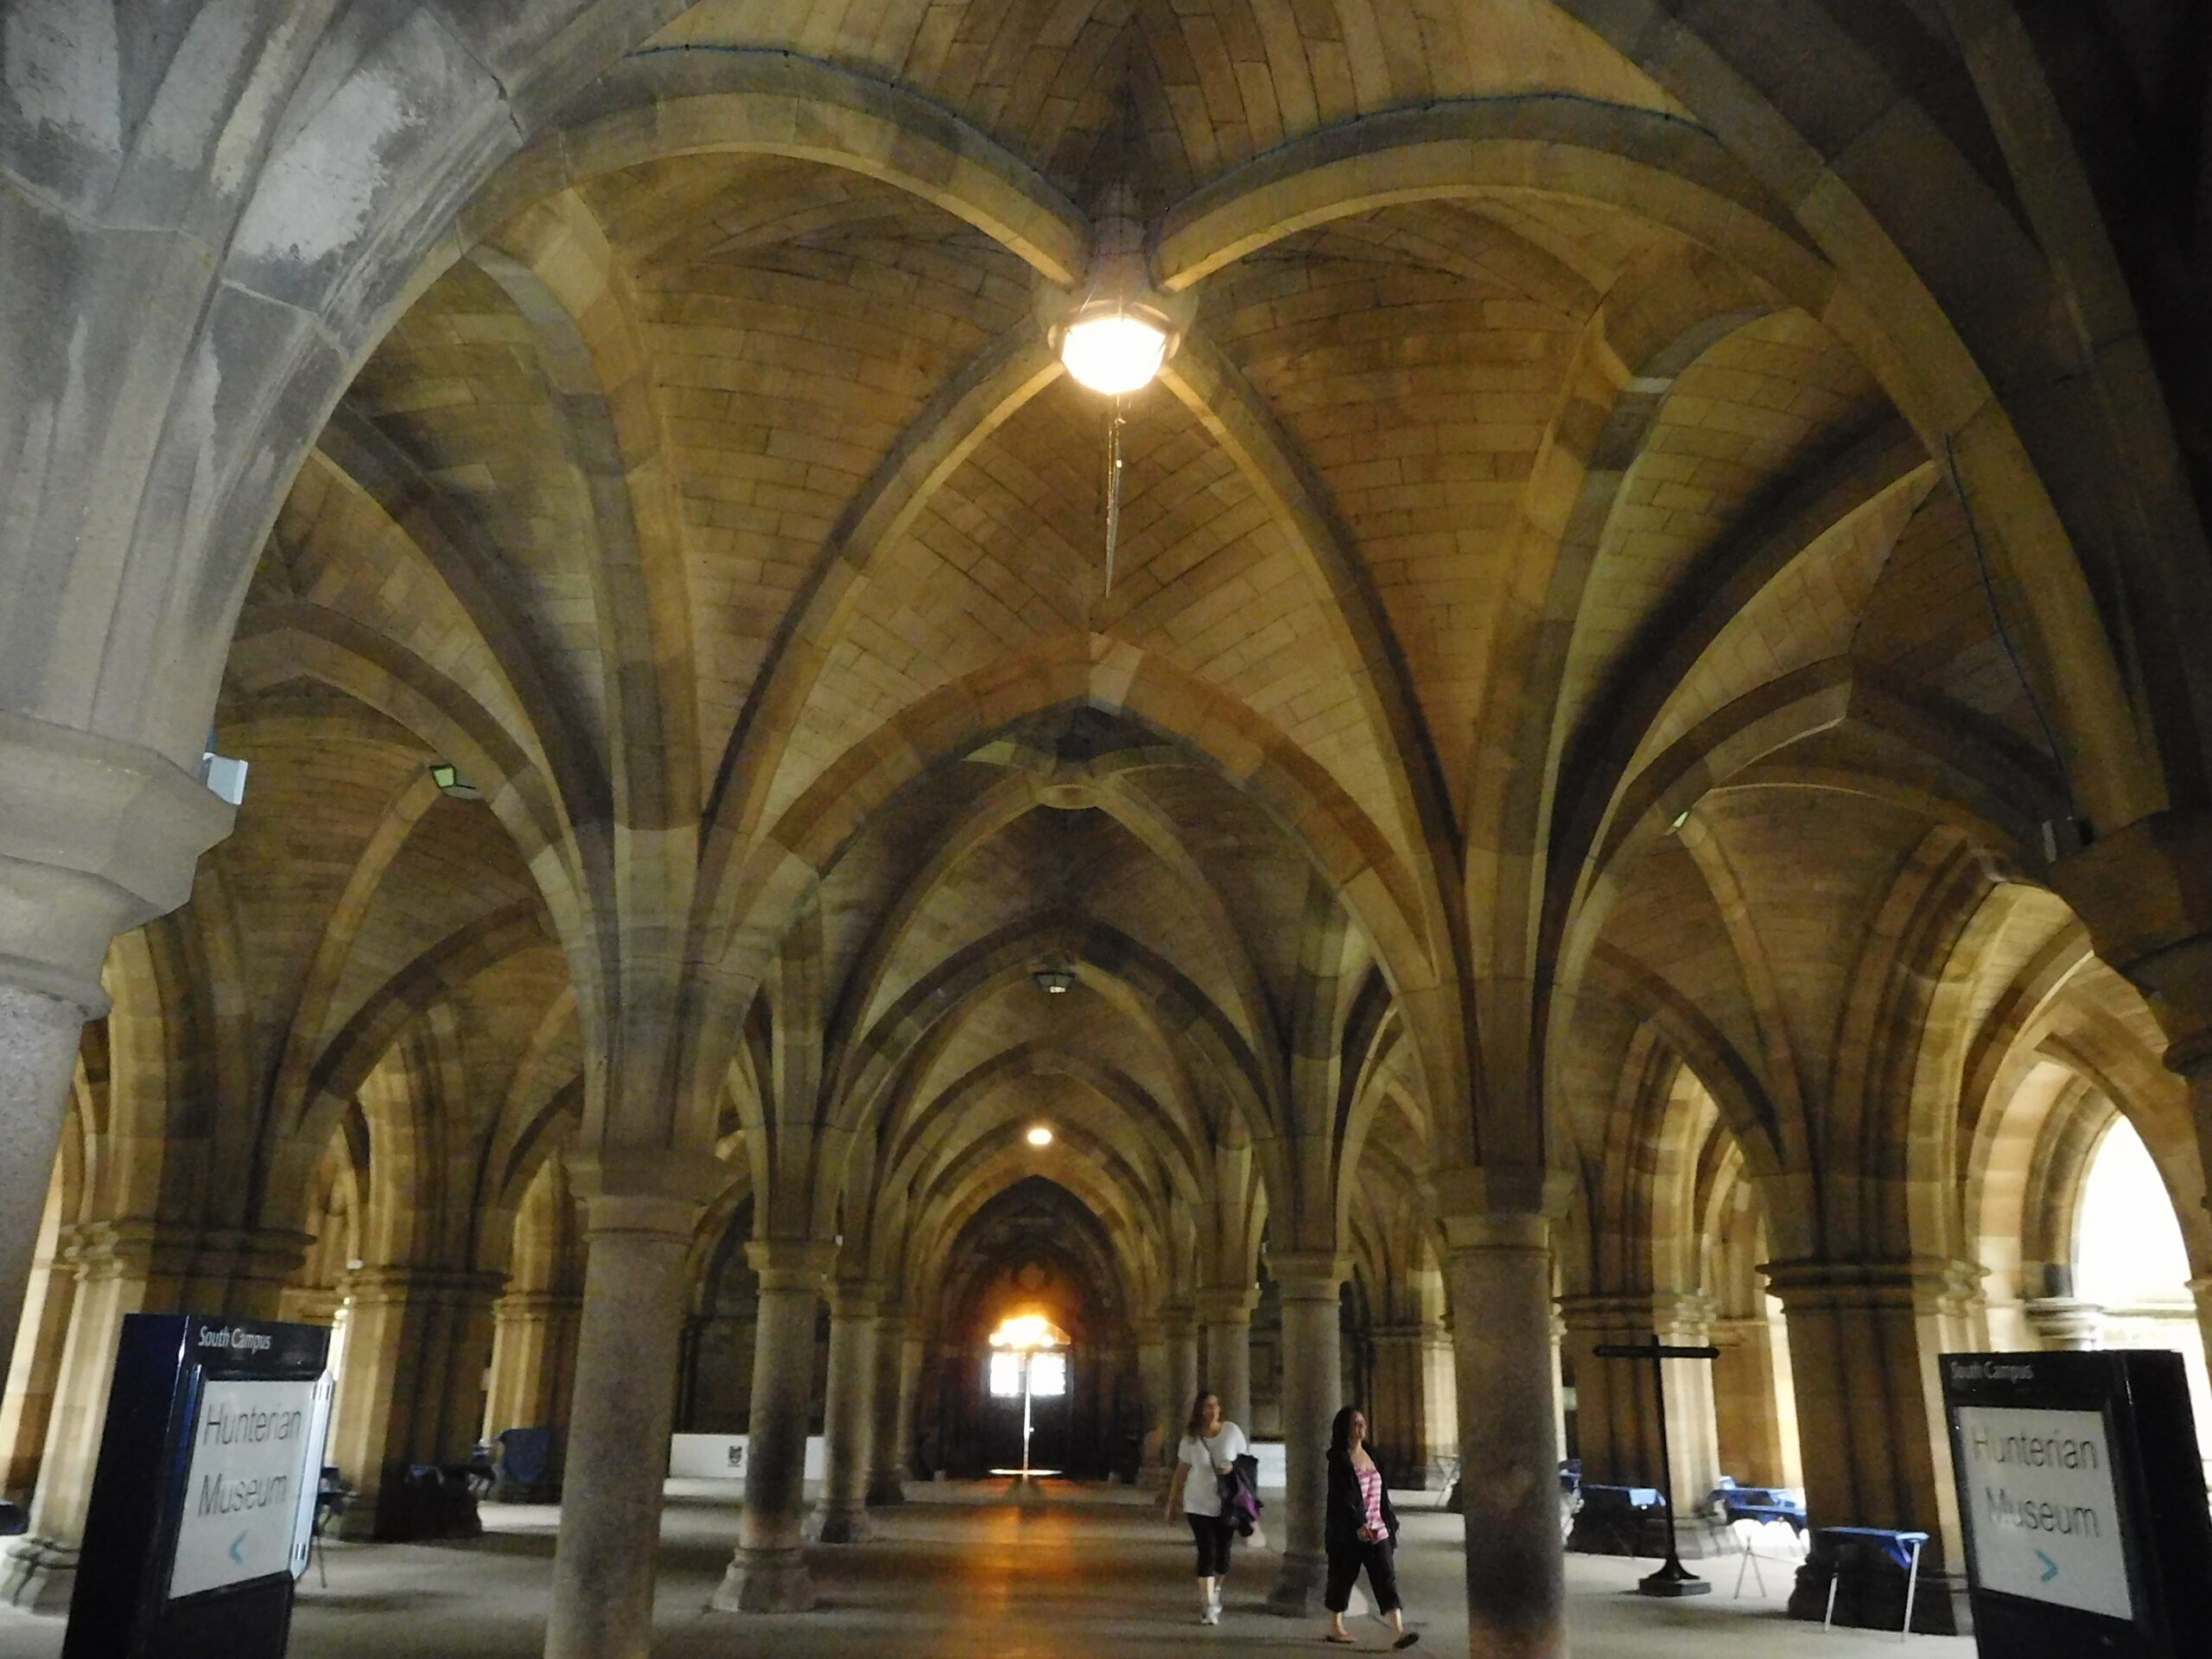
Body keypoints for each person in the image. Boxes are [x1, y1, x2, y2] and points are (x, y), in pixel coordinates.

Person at [1324, 1406, 1417, 1648]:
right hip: (1351, 1531)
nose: (1361, 1427)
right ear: (1345, 1428)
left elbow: (1381, 1493)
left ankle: (1398, 1631)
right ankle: (1336, 1626)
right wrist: (1356, 1525)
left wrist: (1388, 1520)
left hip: (1378, 1526)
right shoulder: (1339, 1459)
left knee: (1386, 1577)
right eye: (1356, 1423)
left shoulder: (1372, 1455)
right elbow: (1341, 1498)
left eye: (1363, 1422)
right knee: (1343, 1577)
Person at [1165, 1389, 1247, 1624]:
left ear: (1220, 1409)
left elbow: (1246, 1463)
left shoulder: (1232, 1432)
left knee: (1223, 1556)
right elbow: (1181, 1471)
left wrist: (1231, 1468)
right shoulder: (1191, 1437)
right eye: (1207, 1406)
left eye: (1215, 1406)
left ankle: (1217, 1590)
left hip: (1227, 1504)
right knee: (1206, 1552)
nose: (1211, 1411)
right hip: (1197, 1502)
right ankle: (1208, 1605)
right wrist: (1173, 1501)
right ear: (1200, 1411)